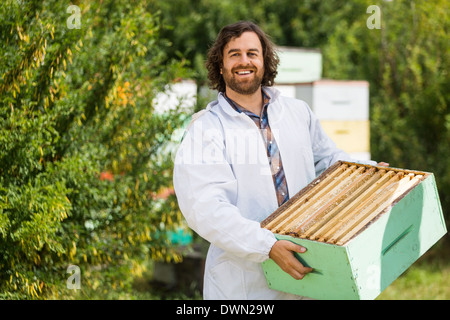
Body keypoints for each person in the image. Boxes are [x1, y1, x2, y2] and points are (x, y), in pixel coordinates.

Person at [173, 21, 387, 300]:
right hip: (245, 286)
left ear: (264, 60)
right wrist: (268, 246)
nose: (244, 61)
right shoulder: (205, 131)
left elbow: (330, 161)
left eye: (252, 53)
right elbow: (205, 209)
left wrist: (368, 174)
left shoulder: (297, 112)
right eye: (234, 54)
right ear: (221, 65)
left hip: (310, 267)